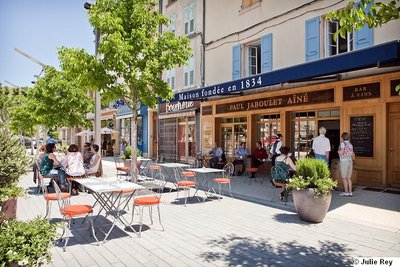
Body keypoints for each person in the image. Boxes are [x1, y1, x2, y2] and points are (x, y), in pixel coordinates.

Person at [338, 132, 355, 197]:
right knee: (349, 178)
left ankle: (346, 192)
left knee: (344, 178)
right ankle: (350, 192)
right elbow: (351, 153)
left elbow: (342, 152)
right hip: (350, 161)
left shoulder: (342, 144)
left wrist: (338, 152)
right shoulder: (351, 145)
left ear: (343, 137)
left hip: (344, 162)